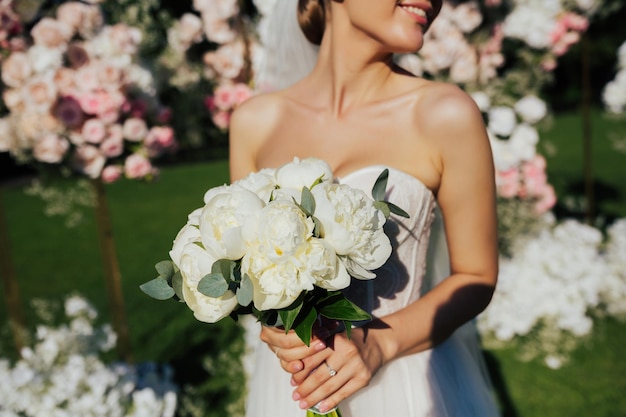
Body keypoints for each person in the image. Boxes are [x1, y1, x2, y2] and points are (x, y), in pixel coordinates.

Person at [229, 0, 501, 416]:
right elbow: (251, 271)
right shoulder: (254, 122)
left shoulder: (445, 114)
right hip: (294, 389)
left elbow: (476, 276)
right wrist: (274, 326)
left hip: (404, 383)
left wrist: (378, 344)